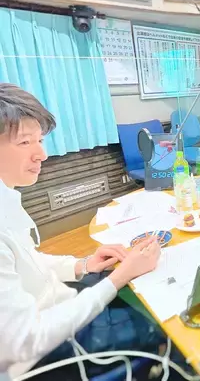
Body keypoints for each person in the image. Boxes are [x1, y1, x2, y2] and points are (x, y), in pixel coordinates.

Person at [0, 84, 163, 379]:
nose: (41, 154)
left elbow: (26, 261)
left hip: (55, 305)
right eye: (25, 142)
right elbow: (24, 341)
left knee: (130, 290)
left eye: (40, 140)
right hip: (47, 353)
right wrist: (118, 278)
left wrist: (83, 264)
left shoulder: (6, 197)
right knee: (159, 321)